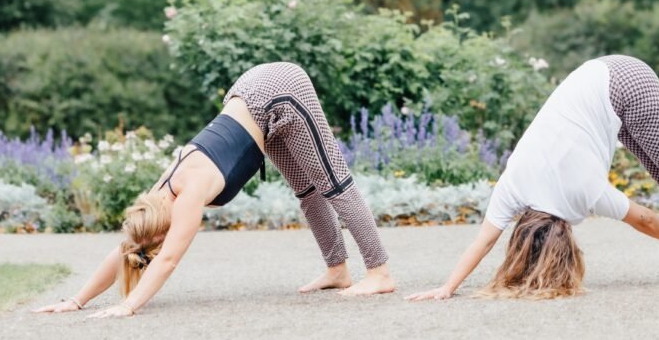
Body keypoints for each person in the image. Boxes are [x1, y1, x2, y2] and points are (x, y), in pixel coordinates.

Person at [35, 62, 394, 318]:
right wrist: (77, 300)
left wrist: (128, 306)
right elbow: (127, 249)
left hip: (280, 89)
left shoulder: (187, 194)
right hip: (252, 99)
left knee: (334, 183)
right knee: (307, 191)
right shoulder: (154, 198)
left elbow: (169, 259)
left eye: (157, 243)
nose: (154, 252)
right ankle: (338, 271)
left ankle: (379, 273)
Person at [407, 55, 659, 302]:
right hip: (600, 82)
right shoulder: (512, 185)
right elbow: (482, 243)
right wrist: (447, 287)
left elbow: (644, 218)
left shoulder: (580, 191)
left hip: (626, 83)